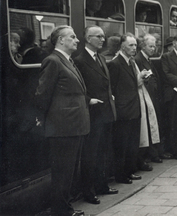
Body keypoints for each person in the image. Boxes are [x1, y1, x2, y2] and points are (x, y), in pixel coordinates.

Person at [35, 25, 90, 216]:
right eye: (72, 37)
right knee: (63, 172)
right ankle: (61, 211)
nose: (77, 40)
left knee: (68, 172)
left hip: (72, 125)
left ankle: (65, 208)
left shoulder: (66, 60)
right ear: (61, 40)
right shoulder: (53, 61)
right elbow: (42, 95)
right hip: (63, 127)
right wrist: (48, 119)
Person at [74, 26, 118, 205]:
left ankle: (102, 185)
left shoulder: (100, 57)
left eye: (103, 36)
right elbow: (76, 89)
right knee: (90, 154)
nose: (102, 39)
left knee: (103, 152)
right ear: (88, 38)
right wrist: (89, 99)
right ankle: (88, 191)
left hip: (105, 112)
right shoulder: (79, 60)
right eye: (98, 36)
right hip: (92, 113)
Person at [108, 34, 144, 184]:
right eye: (131, 45)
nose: (134, 48)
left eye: (135, 45)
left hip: (134, 109)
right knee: (122, 145)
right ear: (122, 46)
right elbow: (113, 89)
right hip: (124, 111)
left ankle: (129, 171)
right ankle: (120, 175)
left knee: (131, 143)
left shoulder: (130, 62)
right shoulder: (116, 64)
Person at [135, 35, 168, 163]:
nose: (153, 49)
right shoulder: (139, 59)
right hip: (147, 97)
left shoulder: (147, 59)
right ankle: (152, 154)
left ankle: (155, 152)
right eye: (150, 46)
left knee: (154, 124)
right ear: (143, 46)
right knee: (150, 125)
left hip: (153, 96)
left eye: (155, 46)